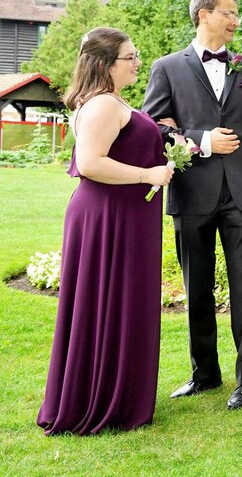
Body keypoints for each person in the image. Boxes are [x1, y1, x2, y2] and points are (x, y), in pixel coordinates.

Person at [143, 0, 242, 411]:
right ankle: (205, 373)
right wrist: (201, 140)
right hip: (193, 192)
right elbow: (154, 127)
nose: (236, 20)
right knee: (197, 289)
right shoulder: (167, 67)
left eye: (236, 13)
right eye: (229, 12)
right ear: (204, 14)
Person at [37, 29, 173, 434]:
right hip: (108, 217)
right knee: (108, 300)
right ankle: (100, 399)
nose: (136, 63)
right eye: (128, 57)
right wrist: (147, 172)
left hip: (126, 214)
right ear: (104, 64)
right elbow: (92, 162)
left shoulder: (112, 101)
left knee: (124, 299)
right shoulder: (100, 105)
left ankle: (118, 392)